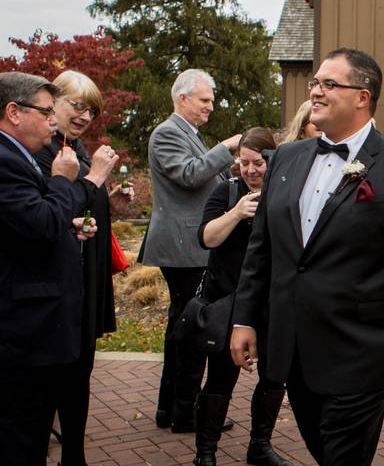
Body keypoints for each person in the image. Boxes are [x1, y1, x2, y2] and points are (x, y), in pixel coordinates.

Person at [229, 49, 384, 466]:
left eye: (329, 83)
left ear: (362, 96)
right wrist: (245, 317)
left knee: (342, 455)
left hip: (365, 349)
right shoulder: (287, 159)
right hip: (294, 344)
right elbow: (263, 247)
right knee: (321, 446)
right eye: (315, 82)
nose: (316, 91)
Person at [0, 72, 116, 466]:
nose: (53, 121)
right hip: (26, 320)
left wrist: (72, 228)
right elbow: (43, 219)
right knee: (22, 431)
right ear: (14, 113)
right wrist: (85, 180)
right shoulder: (15, 159)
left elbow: (40, 226)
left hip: (56, 304)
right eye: (48, 111)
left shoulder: (47, 154)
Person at [34, 71, 131, 466]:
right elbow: (55, 210)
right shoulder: (44, 153)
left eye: (91, 109)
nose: (84, 115)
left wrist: (110, 199)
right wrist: (95, 179)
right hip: (58, 280)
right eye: (77, 105)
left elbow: (84, 204)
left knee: (81, 370)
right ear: (51, 104)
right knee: (57, 377)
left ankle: (74, 452)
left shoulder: (80, 150)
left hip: (85, 276)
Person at [141, 69, 241, 432]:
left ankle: (171, 409)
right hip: (184, 248)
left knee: (180, 331)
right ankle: (185, 413)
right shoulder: (167, 133)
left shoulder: (187, 134)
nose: (211, 107)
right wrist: (226, 147)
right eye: (205, 100)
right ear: (182, 98)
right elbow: (188, 174)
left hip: (190, 246)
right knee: (192, 330)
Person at [192, 128, 290, 466]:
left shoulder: (284, 192)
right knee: (220, 378)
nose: (250, 170)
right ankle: (205, 453)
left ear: (272, 160)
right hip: (228, 302)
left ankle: (259, 446)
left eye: (258, 163)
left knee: (275, 376)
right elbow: (206, 239)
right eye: (244, 163)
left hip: (272, 302)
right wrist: (236, 213)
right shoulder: (227, 190)